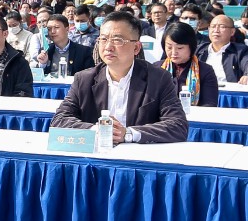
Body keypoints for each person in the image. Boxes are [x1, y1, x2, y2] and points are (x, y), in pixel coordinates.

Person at [51, 11, 189, 143]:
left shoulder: (158, 78)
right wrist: (97, 130)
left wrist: (128, 134)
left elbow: (178, 125)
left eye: (117, 40)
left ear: (136, 48)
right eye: (103, 39)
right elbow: (59, 119)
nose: (108, 47)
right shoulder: (84, 79)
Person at [161, 22, 218, 107]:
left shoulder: (205, 70)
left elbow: (209, 103)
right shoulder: (157, 68)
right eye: (169, 47)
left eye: (179, 48)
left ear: (191, 47)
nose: (173, 52)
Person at [199, 14, 248, 86]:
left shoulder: (241, 51)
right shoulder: (199, 50)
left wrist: (247, 75)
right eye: (213, 26)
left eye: (222, 27)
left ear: (232, 32)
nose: (216, 30)